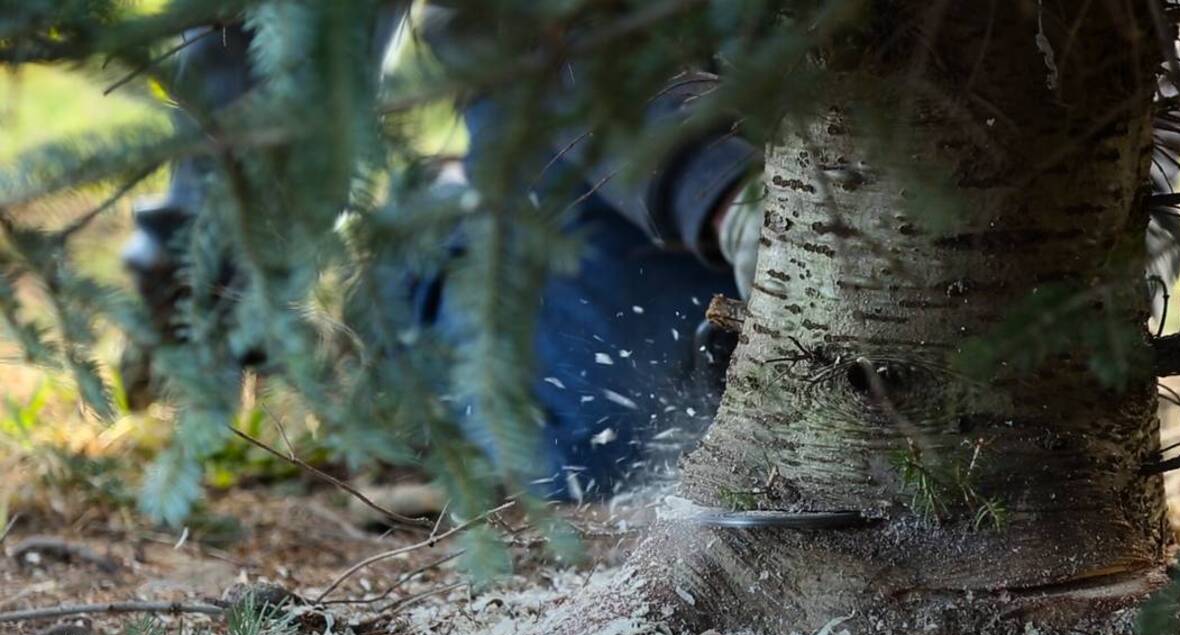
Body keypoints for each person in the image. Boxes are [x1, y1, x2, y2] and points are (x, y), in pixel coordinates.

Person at [122, 5, 764, 501]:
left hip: (793, 148)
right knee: (586, 452)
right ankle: (417, 266)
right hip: (582, 144)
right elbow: (279, 40)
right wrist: (201, 277)